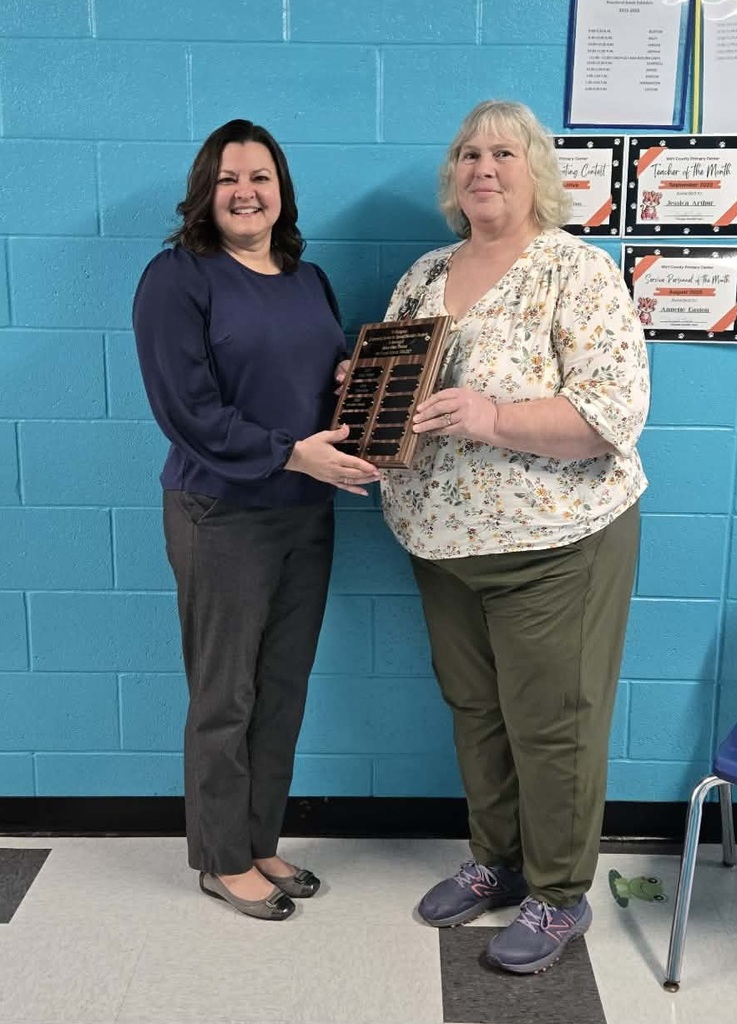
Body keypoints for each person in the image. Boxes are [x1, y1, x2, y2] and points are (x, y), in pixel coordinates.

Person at [381, 100, 649, 973]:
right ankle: (495, 865)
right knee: (477, 715)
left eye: (502, 152)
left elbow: (611, 417)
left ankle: (559, 893)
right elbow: (403, 394)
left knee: (554, 725)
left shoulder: (575, 271)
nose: (481, 167)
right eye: (466, 153)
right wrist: (371, 392)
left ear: (537, 171)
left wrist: (491, 416)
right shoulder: (424, 274)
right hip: (441, 544)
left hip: (557, 545)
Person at [132, 119, 380, 922]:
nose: (246, 192)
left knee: (281, 689)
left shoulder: (307, 279)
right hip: (222, 513)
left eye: (261, 178)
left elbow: (311, 383)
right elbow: (187, 412)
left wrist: (350, 381)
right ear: (206, 190)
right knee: (224, 694)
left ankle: (259, 839)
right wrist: (291, 454)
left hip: (304, 513)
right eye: (229, 177)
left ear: (282, 192)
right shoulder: (178, 278)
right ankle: (219, 857)